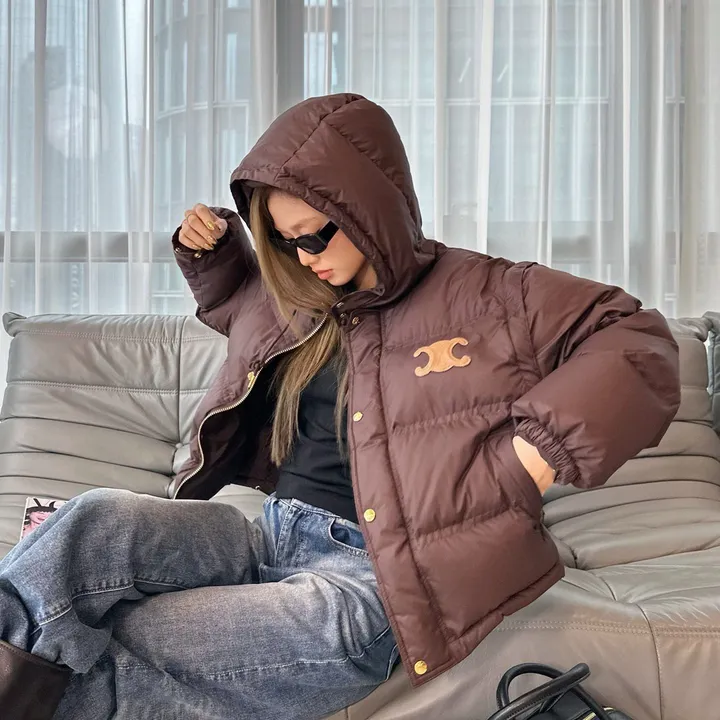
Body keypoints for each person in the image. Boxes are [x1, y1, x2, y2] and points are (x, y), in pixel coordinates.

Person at [0, 93, 680, 720]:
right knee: (97, 520)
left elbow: (636, 338)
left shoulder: (492, 294)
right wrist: (215, 253)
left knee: (129, 637)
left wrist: (539, 453)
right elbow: (242, 307)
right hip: (270, 535)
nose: (304, 256)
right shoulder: (305, 296)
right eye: (285, 240)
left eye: (316, 235)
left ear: (367, 207)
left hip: (371, 585)